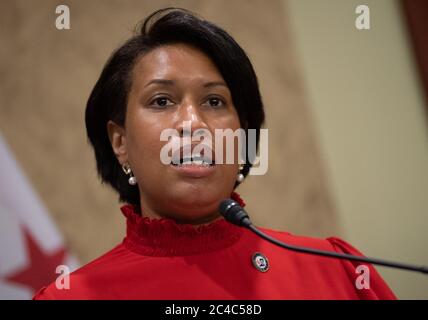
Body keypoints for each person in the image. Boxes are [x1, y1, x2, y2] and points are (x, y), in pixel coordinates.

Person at [33, 8, 396, 300]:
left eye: (214, 101)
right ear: (120, 142)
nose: (193, 123)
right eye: (161, 101)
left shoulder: (337, 273)